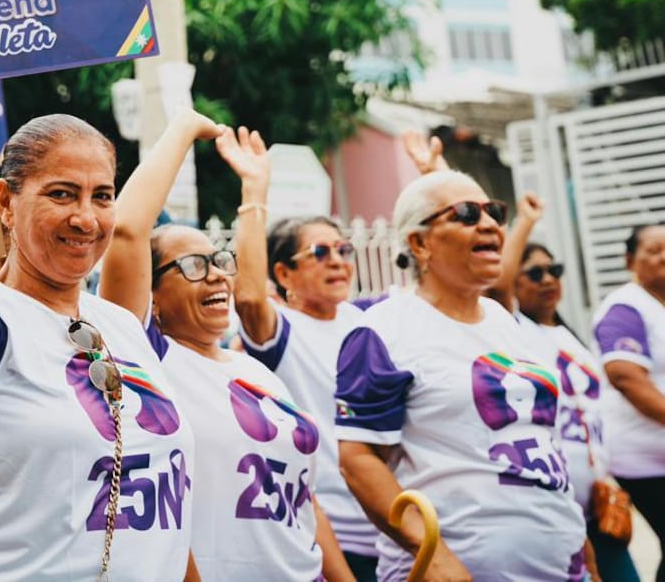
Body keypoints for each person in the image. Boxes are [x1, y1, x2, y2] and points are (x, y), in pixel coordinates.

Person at [0, 77, 198, 581]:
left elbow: (167, 518)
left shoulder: (121, 325)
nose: (86, 218)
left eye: (102, 196)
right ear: (4, 201)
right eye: (62, 194)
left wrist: (186, 127)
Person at [98, 110, 353, 581]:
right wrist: (181, 129)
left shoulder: (258, 372)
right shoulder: (147, 360)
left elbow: (302, 498)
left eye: (218, 260)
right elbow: (127, 232)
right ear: (151, 297)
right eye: (193, 266)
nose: (216, 274)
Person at [335, 170, 587, 581]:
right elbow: (359, 458)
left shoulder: (506, 322)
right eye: (467, 214)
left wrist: (581, 546)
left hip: (561, 562)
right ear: (419, 242)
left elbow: (544, 444)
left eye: (494, 212)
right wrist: (431, 554)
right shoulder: (384, 329)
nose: (488, 223)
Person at [500, 197, 638, 581]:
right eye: (534, 273)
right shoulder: (513, 332)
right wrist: (525, 222)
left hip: (596, 501)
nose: (547, 279)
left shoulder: (568, 334)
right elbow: (498, 282)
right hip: (552, 505)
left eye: (554, 270)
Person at [236, 213, 379, 578]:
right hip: (330, 536)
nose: (336, 260)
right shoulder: (282, 333)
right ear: (283, 274)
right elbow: (250, 298)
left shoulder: (368, 321)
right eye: (319, 252)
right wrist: (254, 192)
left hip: (391, 528)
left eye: (343, 249)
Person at [594, 223, 665, 582]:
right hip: (645, 461)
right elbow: (626, 377)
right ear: (629, 260)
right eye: (654, 250)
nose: (664, 256)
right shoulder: (625, 307)